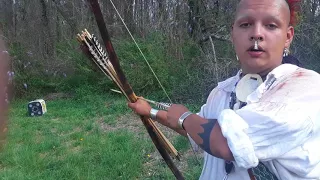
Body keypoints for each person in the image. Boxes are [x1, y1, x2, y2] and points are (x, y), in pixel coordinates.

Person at [129, 0, 320, 179]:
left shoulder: (306, 88)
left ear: (288, 37)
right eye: (245, 24)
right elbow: (194, 128)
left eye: (271, 25)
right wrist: (149, 111)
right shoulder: (222, 90)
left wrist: (184, 117)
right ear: (232, 34)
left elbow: (226, 142)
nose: (256, 34)